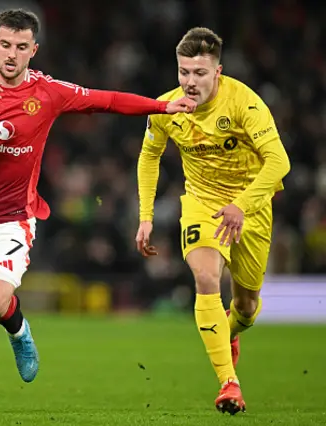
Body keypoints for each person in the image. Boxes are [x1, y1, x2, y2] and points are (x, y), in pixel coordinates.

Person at [0, 9, 196, 414]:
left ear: (34, 50)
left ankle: (19, 332)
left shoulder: (47, 92)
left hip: (13, 218)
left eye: (21, 47)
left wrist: (160, 107)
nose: (12, 54)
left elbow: (106, 100)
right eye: (5, 45)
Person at [135, 27, 291, 415]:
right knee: (205, 277)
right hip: (202, 204)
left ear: (217, 72)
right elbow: (148, 157)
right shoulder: (166, 109)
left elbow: (279, 162)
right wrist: (146, 217)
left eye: (199, 73)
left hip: (250, 208)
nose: (189, 82)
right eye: (184, 72)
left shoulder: (245, 104)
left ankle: (230, 329)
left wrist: (242, 204)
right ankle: (229, 383)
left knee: (247, 306)